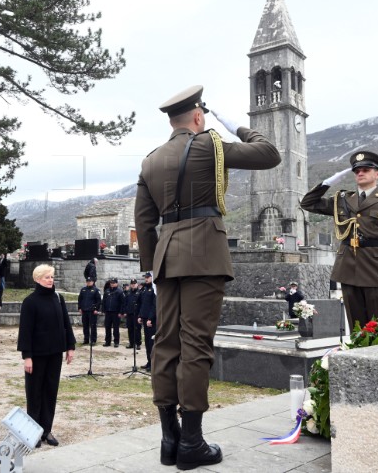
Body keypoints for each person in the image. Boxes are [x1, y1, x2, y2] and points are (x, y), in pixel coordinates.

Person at [134, 85, 281, 469]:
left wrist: (152, 268)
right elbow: (269, 154)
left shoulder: (150, 160)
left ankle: (169, 440)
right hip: (204, 255)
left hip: (166, 259)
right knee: (195, 345)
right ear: (198, 117)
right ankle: (192, 443)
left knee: (165, 344)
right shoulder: (209, 146)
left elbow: (144, 221)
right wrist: (237, 126)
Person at [300, 150, 378, 329]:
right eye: (357, 170)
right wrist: (327, 183)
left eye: (366, 169)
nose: (360, 173)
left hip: (377, 270)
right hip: (348, 268)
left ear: (377, 174)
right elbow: (307, 203)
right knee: (357, 326)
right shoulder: (343, 199)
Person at [17, 264, 76, 447]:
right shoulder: (30, 301)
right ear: (38, 279)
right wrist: (27, 356)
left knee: (50, 392)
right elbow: (25, 331)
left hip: (55, 354)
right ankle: (33, 432)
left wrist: (70, 346)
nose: (51, 280)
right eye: (47, 277)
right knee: (34, 394)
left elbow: (66, 323)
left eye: (52, 277)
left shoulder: (59, 298)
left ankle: (46, 430)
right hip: (36, 356)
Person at [138, 273, 156, 371]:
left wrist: (150, 318)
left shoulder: (154, 289)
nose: (146, 279)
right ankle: (149, 362)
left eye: (148, 277)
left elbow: (154, 305)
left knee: (151, 342)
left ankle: (153, 363)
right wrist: (140, 315)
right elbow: (142, 304)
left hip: (151, 320)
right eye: (145, 277)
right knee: (147, 343)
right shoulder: (144, 289)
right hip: (144, 318)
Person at [77, 277, 101, 344]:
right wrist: (79, 308)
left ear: (93, 282)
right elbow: (80, 299)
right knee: (85, 326)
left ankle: (93, 340)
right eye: (87, 281)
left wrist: (96, 309)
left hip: (92, 311)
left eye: (90, 281)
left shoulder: (96, 290)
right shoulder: (83, 290)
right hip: (84, 311)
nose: (89, 282)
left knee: (93, 326)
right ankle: (86, 339)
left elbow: (98, 301)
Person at [102, 278, 124, 347]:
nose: (112, 284)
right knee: (107, 327)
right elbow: (104, 301)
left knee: (116, 328)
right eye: (111, 283)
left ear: (116, 283)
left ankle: (116, 342)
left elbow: (122, 303)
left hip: (116, 312)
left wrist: (121, 312)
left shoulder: (120, 292)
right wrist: (103, 310)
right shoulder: (107, 291)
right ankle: (107, 341)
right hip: (108, 312)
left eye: (113, 283)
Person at [124, 279, 142, 350]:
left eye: (134, 284)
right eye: (132, 284)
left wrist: (140, 314)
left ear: (137, 284)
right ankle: (131, 343)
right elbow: (125, 303)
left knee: (137, 329)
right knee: (130, 329)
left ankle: (138, 343)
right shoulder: (128, 293)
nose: (133, 285)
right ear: (130, 285)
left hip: (137, 314)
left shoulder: (140, 292)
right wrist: (125, 311)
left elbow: (141, 304)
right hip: (129, 314)